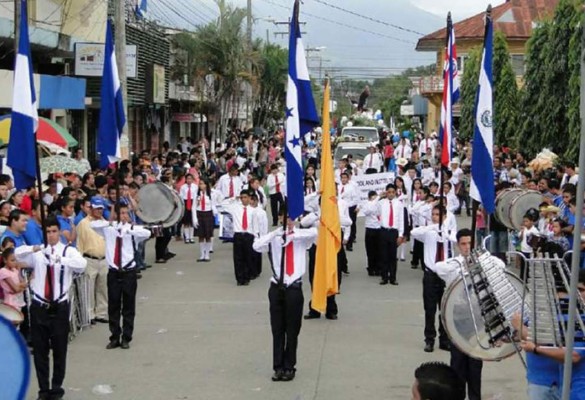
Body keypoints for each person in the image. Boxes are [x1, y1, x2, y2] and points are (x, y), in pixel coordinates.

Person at [15, 217, 87, 400]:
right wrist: (36, 248)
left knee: (60, 349)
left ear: (59, 232)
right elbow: (16, 255)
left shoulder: (68, 251)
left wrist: (58, 258)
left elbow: (81, 265)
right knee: (40, 352)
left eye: (54, 231)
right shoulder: (38, 253)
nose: (51, 235)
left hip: (60, 306)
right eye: (48, 232)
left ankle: (56, 388)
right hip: (40, 306)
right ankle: (43, 389)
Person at [252, 217, 317, 382]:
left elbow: (315, 233)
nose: (287, 222)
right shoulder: (275, 238)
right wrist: (275, 234)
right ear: (280, 218)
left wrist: (293, 235)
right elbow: (256, 245)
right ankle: (278, 367)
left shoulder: (301, 237)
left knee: (292, 330)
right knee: (277, 330)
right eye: (284, 218)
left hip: (294, 287)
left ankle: (290, 366)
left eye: (291, 219)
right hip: (277, 287)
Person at [433, 229, 495, 400]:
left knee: (475, 365)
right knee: (458, 364)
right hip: (458, 319)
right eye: (464, 244)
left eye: (470, 244)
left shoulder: (483, 263)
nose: (467, 247)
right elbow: (437, 267)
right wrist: (463, 264)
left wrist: (480, 260)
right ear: (458, 245)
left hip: (478, 319)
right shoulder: (453, 264)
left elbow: (501, 265)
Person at [91, 203, 151, 349]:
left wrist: (128, 229)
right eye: (122, 213)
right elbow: (94, 225)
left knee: (128, 306)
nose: (125, 216)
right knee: (114, 305)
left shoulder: (132, 230)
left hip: (128, 272)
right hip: (114, 272)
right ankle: (114, 336)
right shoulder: (109, 229)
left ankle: (126, 337)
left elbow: (146, 233)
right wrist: (111, 221)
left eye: (126, 213)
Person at [411, 205, 453, 353]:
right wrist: (432, 228)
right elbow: (414, 232)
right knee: (430, 309)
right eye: (433, 214)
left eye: (438, 215)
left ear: (444, 216)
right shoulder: (428, 232)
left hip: (445, 275)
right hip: (430, 274)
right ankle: (429, 339)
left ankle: (444, 339)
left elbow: (456, 238)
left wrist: (445, 233)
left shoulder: (448, 231)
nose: (435, 217)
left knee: (444, 309)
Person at [76, 197, 109, 324]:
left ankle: (101, 312)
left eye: (101, 209)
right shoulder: (83, 224)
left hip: (103, 259)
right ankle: (89, 314)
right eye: (97, 208)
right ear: (91, 209)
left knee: (103, 288)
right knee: (89, 288)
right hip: (89, 258)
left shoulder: (104, 222)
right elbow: (79, 243)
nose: (99, 211)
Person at [223, 190, 256, 286]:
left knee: (247, 257)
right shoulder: (235, 208)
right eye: (242, 198)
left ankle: (246, 278)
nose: (243, 200)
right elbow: (223, 203)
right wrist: (234, 198)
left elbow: (255, 224)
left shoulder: (253, 210)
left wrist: (256, 236)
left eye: (245, 197)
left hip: (248, 235)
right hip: (238, 234)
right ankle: (239, 278)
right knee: (238, 258)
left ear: (249, 198)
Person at [376, 184, 404, 285]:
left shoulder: (399, 204)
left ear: (395, 192)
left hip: (393, 231)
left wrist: (401, 235)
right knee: (383, 255)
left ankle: (393, 277)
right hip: (384, 231)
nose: (391, 194)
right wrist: (380, 196)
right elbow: (375, 210)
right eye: (389, 192)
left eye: (393, 192)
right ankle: (384, 277)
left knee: (392, 256)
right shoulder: (381, 203)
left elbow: (401, 219)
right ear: (386, 192)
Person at [193, 179, 217, 262]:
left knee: (208, 235)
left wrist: (215, 212)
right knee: (201, 236)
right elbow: (193, 207)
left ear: (206, 185)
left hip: (208, 214)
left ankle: (207, 254)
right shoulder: (196, 195)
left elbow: (213, 205)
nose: (201, 186)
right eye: (200, 184)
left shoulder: (211, 194)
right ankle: (202, 254)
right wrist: (194, 218)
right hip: (199, 214)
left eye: (203, 184)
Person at [0, 247, 27, 318]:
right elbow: (15, 289)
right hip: (10, 303)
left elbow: (24, 283)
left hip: (19, 302)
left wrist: (18, 270)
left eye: (16, 260)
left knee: (18, 326)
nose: (15, 262)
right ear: (5, 260)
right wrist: (21, 287)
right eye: (12, 260)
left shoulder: (15, 270)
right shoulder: (3, 271)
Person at [359, 190, 381, 276]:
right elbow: (367, 211)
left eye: (376, 197)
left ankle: (378, 268)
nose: (375, 199)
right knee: (370, 250)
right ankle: (371, 268)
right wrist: (376, 200)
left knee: (378, 250)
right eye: (373, 198)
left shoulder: (380, 203)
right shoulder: (366, 204)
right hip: (370, 228)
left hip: (379, 228)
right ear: (369, 198)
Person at [338, 172, 359, 252]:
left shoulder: (351, 187)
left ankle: (349, 243)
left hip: (349, 207)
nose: (343, 179)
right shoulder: (338, 187)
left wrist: (348, 205)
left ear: (348, 179)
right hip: (340, 208)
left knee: (349, 225)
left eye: (345, 178)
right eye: (342, 178)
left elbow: (355, 199)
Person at [179, 174, 198, 243]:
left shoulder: (195, 187)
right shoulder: (183, 187)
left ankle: (191, 237)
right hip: (186, 202)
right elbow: (181, 196)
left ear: (192, 179)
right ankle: (187, 237)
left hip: (193, 202)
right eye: (188, 179)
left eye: (190, 179)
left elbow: (196, 195)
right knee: (186, 222)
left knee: (192, 221)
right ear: (186, 179)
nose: (189, 180)